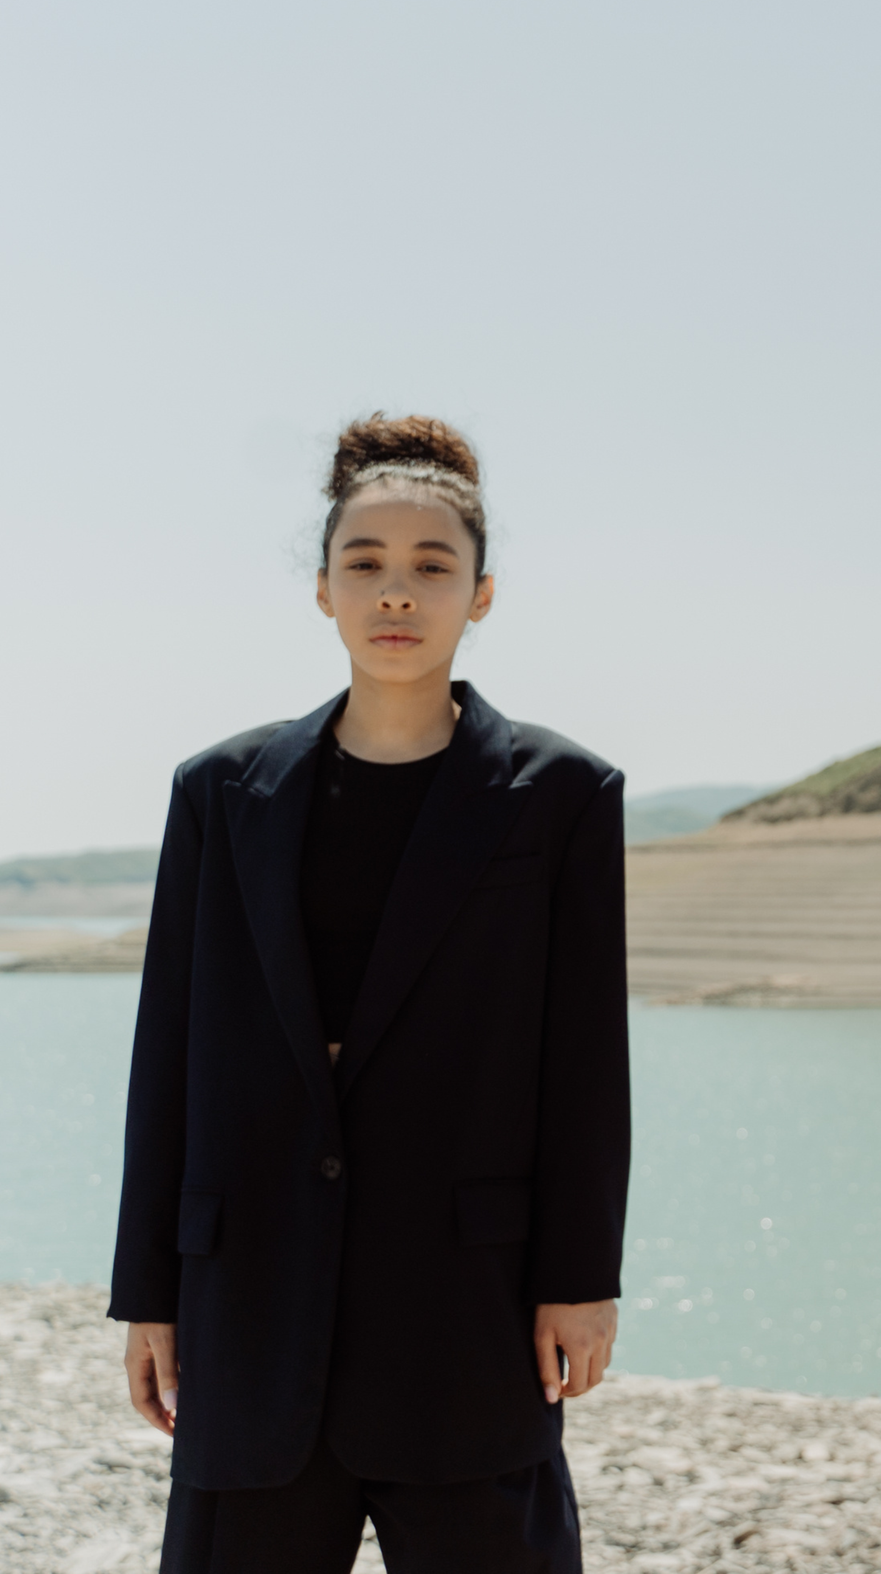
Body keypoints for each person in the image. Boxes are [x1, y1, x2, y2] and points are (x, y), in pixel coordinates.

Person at [110, 414, 632, 1574]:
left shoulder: (561, 797)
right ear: (323, 592)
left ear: (481, 596)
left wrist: (580, 1280)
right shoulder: (220, 793)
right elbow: (172, 1051)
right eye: (367, 566)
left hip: (467, 1310)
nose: (397, 594)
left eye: (431, 568)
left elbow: (586, 1064)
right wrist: (149, 1293)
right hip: (250, 1301)